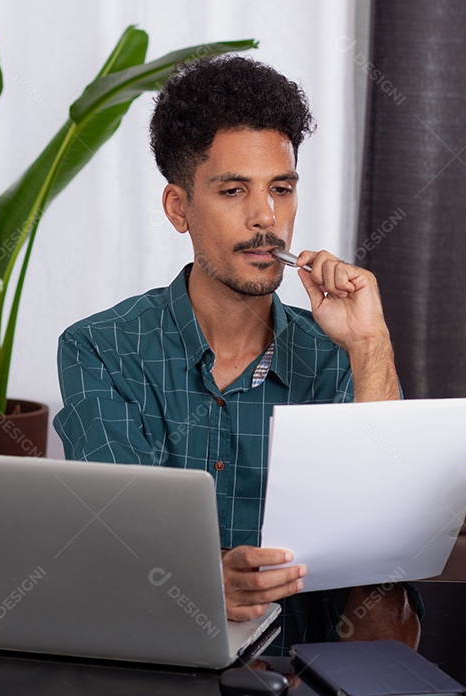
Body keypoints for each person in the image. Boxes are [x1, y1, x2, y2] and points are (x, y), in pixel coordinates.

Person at [54, 55, 420, 653]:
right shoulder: (103, 350)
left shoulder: (340, 359)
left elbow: (389, 631)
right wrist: (199, 579)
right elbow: (116, 558)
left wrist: (370, 345)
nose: (266, 219)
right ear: (179, 208)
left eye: (281, 188)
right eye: (233, 191)